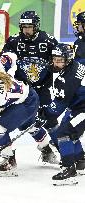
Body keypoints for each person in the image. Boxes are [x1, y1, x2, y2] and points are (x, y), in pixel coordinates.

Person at [0, 11, 59, 162]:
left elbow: (61, 61)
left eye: (30, 27)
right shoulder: (14, 41)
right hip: (23, 89)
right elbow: (2, 60)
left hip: (43, 88)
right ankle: (0, 146)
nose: (26, 30)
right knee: (11, 117)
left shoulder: (48, 41)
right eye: (24, 27)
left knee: (49, 119)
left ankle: (61, 149)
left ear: (36, 26)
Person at [36, 43, 85, 185]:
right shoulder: (75, 65)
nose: (56, 63)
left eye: (60, 60)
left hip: (83, 108)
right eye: (54, 59)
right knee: (68, 128)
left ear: (68, 60)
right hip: (78, 106)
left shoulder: (66, 79)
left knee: (63, 133)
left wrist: (45, 114)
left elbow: (60, 103)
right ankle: (80, 161)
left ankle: (69, 169)